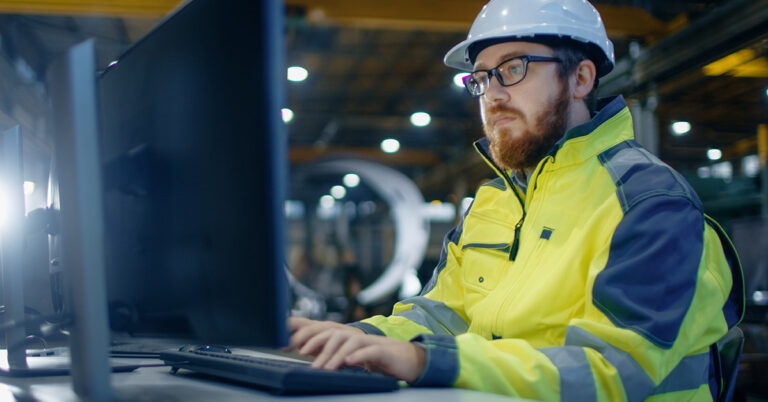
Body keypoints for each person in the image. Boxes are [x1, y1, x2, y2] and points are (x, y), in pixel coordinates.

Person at [288, 0, 744, 400]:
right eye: (482, 78)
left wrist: (429, 362)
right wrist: (353, 337)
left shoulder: (648, 202)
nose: (494, 95)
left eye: (513, 69)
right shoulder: (493, 203)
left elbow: (615, 371)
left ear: (581, 78)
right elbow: (439, 315)